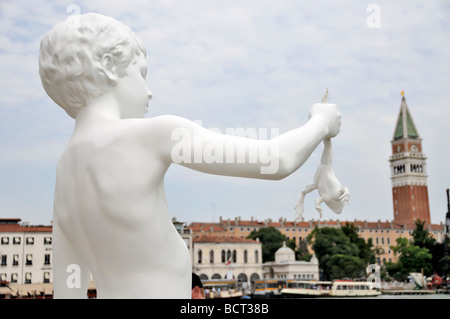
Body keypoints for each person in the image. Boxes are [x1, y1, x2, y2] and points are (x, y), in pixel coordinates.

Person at [39, 13, 341, 299]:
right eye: (141, 74)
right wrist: (321, 122)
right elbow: (276, 160)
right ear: (108, 65)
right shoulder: (154, 134)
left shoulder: (65, 169)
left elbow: (68, 288)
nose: (149, 91)